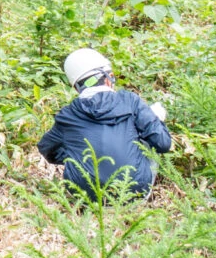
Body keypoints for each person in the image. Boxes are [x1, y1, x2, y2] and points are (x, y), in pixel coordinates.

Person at [38, 48, 172, 199]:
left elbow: (46, 147)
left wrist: (75, 155)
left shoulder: (68, 115)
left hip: (84, 196)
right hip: (133, 193)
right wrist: (156, 119)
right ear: (108, 78)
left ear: (76, 87)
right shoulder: (130, 101)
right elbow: (162, 143)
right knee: (147, 136)